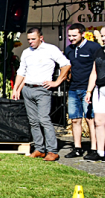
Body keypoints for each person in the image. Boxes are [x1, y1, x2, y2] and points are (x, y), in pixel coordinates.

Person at [11, 27, 71, 162]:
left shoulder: (51, 49)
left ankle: (52, 151)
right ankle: (39, 149)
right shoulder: (27, 52)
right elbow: (21, 71)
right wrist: (16, 88)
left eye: (33, 39)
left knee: (44, 119)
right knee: (33, 121)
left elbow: (66, 64)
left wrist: (56, 82)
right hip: (28, 88)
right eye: (29, 40)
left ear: (41, 38)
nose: (31, 42)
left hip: (43, 89)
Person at [64, 23, 98, 158]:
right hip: (73, 88)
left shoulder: (93, 47)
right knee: (75, 119)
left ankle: (94, 148)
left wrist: (93, 88)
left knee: (90, 119)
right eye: (69, 36)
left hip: (88, 88)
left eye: (74, 35)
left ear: (82, 34)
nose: (71, 38)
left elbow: (97, 68)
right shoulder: (69, 49)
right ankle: (77, 148)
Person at [84, 23, 105, 162]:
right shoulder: (99, 51)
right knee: (99, 121)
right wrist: (89, 91)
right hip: (99, 90)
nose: (104, 38)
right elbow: (94, 72)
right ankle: (100, 151)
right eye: (102, 36)